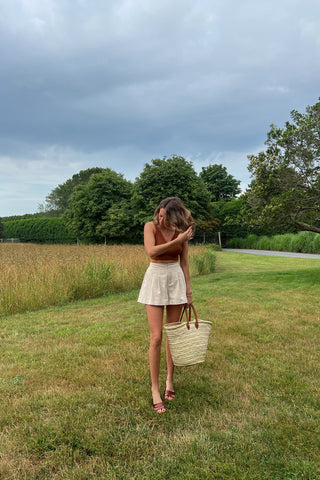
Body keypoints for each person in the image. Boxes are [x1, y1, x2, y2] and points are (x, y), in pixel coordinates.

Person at [138, 197, 194, 414]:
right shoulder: (150, 227)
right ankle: (154, 389)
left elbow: (185, 262)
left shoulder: (182, 231)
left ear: (175, 217)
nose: (161, 220)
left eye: (165, 217)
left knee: (173, 335)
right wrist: (177, 240)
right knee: (156, 337)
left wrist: (188, 291)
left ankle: (169, 380)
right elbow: (152, 252)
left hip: (175, 279)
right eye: (159, 215)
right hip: (155, 278)